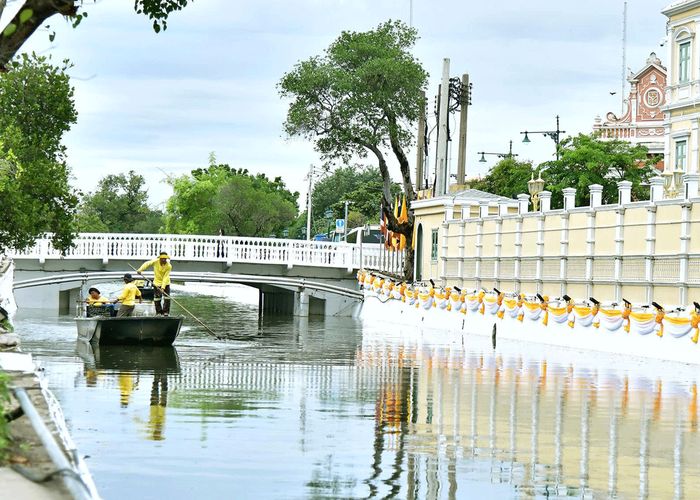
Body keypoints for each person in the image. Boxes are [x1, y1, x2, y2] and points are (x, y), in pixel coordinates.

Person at [137, 251, 172, 316]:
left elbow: (165, 277)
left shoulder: (169, 266)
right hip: (157, 283)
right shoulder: (155, 262)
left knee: (167, 298)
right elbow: (147, 264)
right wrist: (140, 270)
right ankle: (159, 312)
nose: (164, 260)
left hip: (166, 283)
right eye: (162, 258)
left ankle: (165, 312)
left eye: (165, 259)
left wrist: (163, 287)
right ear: (160, 258)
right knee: (157, 298)